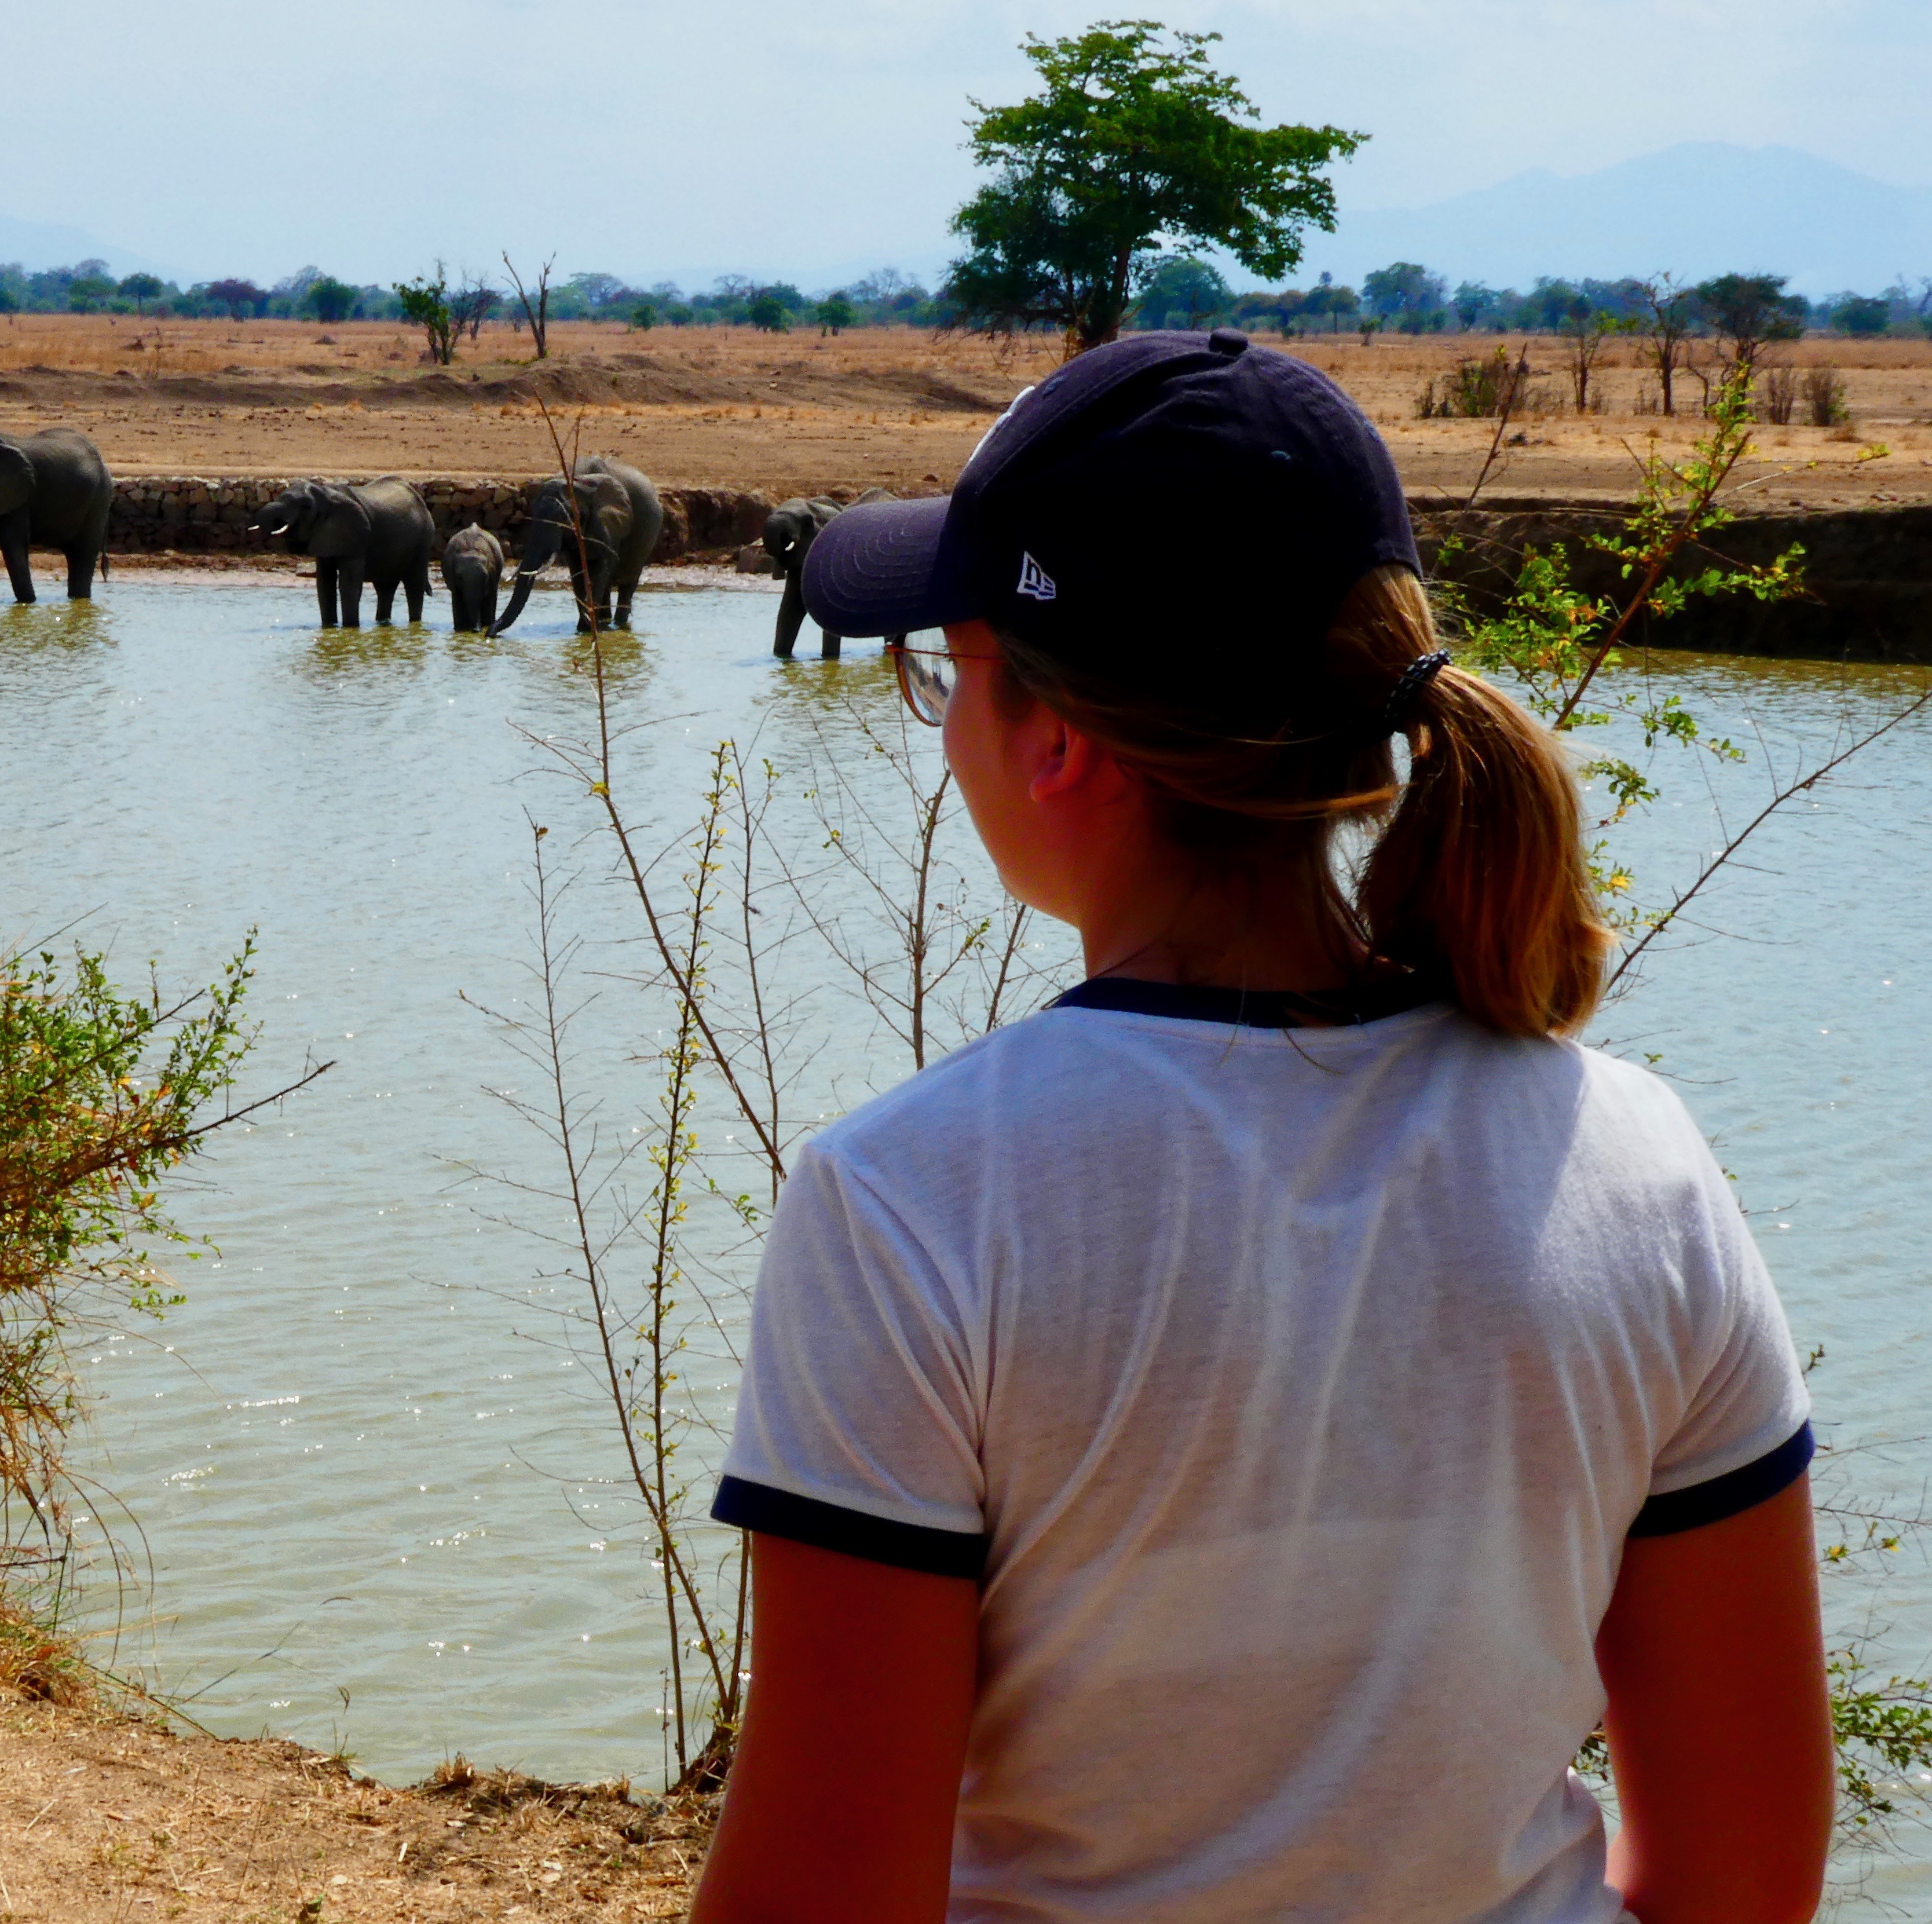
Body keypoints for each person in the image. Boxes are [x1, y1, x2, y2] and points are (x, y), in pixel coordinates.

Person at [691, 330, 1832, 1924]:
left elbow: (821, 1900)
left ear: (1058, 740)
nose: (940, 723)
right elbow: (1748, 1875)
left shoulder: (910, 1206)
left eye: (947, 671)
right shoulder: (1640, 1165)